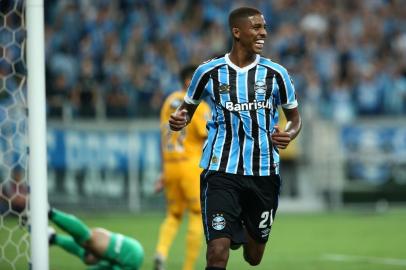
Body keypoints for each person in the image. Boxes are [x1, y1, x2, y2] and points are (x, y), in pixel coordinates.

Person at [169, 7, 302, 270]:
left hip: (263, 172)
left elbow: (295, 119)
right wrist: (179, 120)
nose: (263, 32)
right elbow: (185, 110)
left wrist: (288, 134)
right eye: (256, 27)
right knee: (217, 252)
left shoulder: (277, 74)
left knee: (254, 257)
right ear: (237, 32)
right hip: (221, 171)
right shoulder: (208, 71)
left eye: (264, 27)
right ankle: (229, 228)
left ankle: (239, 228)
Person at [154, 65, 210, 270]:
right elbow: (207, 135)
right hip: (190, 167)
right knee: (197, 214)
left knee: (173, 215)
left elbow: (163, 134)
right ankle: (187, 267)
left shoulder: (168, 101)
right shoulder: (199, 106)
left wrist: (163, 171)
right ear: (190, 81)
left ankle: (161, 251)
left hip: (170, 166)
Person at [48, 207, 144, 270]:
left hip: (127, 259)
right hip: (130, 254)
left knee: (87, 253)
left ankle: (53, 238)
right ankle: (50, 212)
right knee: (88, 241)